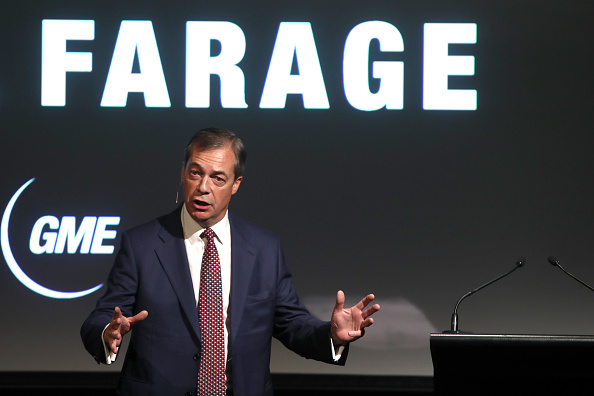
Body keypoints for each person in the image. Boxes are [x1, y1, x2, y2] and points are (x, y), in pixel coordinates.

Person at [81, 127, 380, 396]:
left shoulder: (264, 248)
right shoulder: (142, 244)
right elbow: (102, 316)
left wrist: (331, 334)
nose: (203, 187)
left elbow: (291, 324)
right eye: (196, 173)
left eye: (218, 178)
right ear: (183, 172)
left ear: (236, 184)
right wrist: (108, 331)